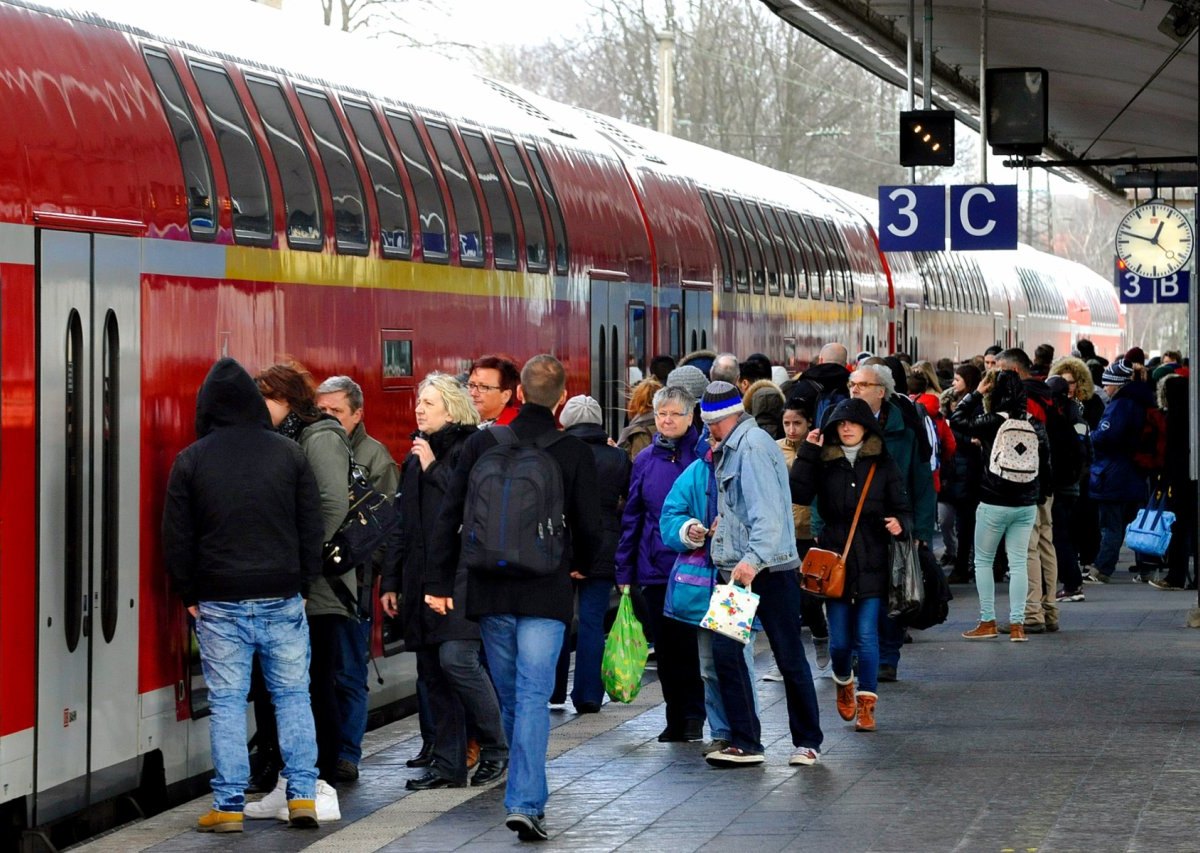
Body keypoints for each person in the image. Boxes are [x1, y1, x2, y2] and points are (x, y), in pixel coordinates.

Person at [426, 355, 602, 842]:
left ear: (519, 394)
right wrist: (582, 563)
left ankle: (520, 788)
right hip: (545, 591)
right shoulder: (573, 452)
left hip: (489, 588)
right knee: (531, 697)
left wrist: (439, 583)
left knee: (512, 696)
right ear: (561, 399)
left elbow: (449, 517)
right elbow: (590, 525)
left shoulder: (483, 443)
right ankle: (525, 802)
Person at [162, 358, 324, 832]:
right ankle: (302, 799)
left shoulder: (191, 459)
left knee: (228, 702)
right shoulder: (288, 454)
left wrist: (189, 592)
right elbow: (309, 525)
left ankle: (229, 806)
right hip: (282, 593)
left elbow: (178, 538)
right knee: (294, 696)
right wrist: (305, 584)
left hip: (219, 598)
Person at [380, 373, 508, 791]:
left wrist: (434, 468)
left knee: (457, 662)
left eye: (429, 403)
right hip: (421, 582)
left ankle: (495, 745)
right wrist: (391, 582)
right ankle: (449, 765)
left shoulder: (472, 448)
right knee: (434, 673)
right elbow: (403, 524)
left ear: (452, 409)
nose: (419, 410)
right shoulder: (415, 455)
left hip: (460, 582)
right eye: (419, 403)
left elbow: (466, 511)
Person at [697, 382, 823, 768]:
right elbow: (749, 507)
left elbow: (767, 514)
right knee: (731, 651)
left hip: (762, 570)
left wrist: (751, 559)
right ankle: (747, 741)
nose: (708, 431)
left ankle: (803, 741)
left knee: (785, 654)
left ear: (727, 418)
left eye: (712, 423)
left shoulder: (749, 448)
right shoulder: (737, 445)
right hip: (743, 568)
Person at [247, 361, 351, 821]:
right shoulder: (282, 439)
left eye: (265, 398)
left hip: (319, 587)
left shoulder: (320, 436)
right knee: (278, 688)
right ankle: (288, 779)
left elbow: (330, 504)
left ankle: (320, 778)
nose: (258, 407)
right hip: (291, 581)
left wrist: (300, 565)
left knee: (313, 684)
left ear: (288, 400)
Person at [790, 399, 910, 731]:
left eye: (852, 423)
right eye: (840, 424)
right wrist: (808, 453)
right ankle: (844, 679)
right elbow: (797, 493)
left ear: (866, 428)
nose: (846, 428)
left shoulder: (883, 464)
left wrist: (901, 523)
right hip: (835, 561)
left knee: (868, 636)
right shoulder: (824, 462)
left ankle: (867, 704)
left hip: (873, 557)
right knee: (840, 641)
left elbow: (902, 505)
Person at [315, 375, 399, 784]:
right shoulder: (313, 446)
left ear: (357, 414)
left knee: (349, 672)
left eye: (336, 412)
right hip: (320, 586)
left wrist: (366, 565)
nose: (328, 418)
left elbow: (387, 525)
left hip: (356, 585)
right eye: (323, 410)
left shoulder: (375, 457)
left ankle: (347, 753)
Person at [614, 385, 706, 741]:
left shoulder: (702, 457)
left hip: (693, 566)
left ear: (690, 417)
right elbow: (633, 516)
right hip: (654, 568)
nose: (667, 421)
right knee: (666, 651)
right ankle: (675, 717)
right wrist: (624, 569)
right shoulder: (645, 460)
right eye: (661, 414)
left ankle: (695, 715)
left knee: (691, 647)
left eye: (675, 414)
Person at [848, 364, 935, 681]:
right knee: (856, 593)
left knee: (893, 593)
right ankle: (861, 653)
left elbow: (922, 480)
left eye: (861, 384)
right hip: (852, 526)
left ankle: (887, 657)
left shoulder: (905, 430)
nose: (854, 389)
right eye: (852, 384)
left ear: (881, 391)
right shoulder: (840, 424)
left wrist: (921, 530)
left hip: (894, 524)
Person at [953, 371, 1051, 641]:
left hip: (994, 501)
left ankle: (988, 621)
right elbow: (1046, 463)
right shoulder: (1035, 424)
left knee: (983, 561)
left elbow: (957, 420)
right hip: (1026, 503)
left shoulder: (993, 421)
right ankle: (1018, 625)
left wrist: (976, 393)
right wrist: (1040, 495)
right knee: (1018, 562)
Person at [551, 395, 631, 713]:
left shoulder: (553, 454)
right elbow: (630, 503)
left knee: (555, 620)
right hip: (602, 545)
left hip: (559, 547)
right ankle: (588, 695)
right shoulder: (618, 458)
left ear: (566, 422)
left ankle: (553, 691)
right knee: (592, 622)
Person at [996, 348, 1062, 633]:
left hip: (1029, 483)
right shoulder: (1048, 394)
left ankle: (1031, 612)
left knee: (1026, 548)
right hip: (1048, 482)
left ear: (1014, 371)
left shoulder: (1025, 400)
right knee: (1046, 544)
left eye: (999, 370)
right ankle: (1050, 610)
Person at [1085, 359, 1153, 584]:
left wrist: (1091, 436)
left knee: (1111, 525)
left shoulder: (1120, 405)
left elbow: (1106, 436)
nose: (1104, 388)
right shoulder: (1140, 401)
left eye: (1107, 384)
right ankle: (1147, 569)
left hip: (1112, 473)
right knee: (1136, 524)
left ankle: (1103, 569)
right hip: (1132, 472)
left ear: (1117, 384)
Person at [775, 399, 829, 670]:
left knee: (810, 596)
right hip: (785, 533)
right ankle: (787, 659)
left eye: (797, 423)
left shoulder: (818, 447)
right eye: (787, 423)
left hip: (810, 532)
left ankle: (820, 634)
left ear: (809, 422)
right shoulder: (775, 450)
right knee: (787, 598)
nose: (792, 429)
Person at [1150, 375, 1194, 591]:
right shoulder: (1192, 414)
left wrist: (1162, 480)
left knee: (1179, 526)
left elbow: (1170, 452)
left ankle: (1176, 575)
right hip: (1192, 476)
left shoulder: (1173, 417)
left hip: (1178, 478)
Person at [801, 342, 851, 428]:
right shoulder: (853, 387)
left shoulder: (801, 385)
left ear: (820, 360)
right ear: (846, 365)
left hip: (811, 439)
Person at [468, 354, 521, 427]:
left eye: (484, 387)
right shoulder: (459, 422)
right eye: (471, 385)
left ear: (505, 396)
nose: (473, 393)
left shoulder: (515, 429)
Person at [616, 377, 662, 460]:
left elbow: (637, 465)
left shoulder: (641, 432)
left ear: (636, 402)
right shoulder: (666, 423)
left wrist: (616, 452)